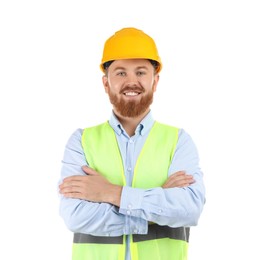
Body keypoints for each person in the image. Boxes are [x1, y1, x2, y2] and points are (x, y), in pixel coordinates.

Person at [58, 27, 205, 260]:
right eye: (121, 73)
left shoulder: (178, 141)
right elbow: (75, 216)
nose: (131, 82)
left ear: (155, 81)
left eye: (140, 72)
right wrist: (157, 202)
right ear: (106, 83)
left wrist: (110, 193)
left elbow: (189, 209)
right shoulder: (81, 141)